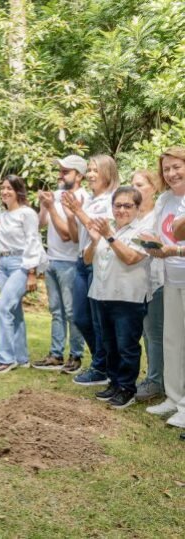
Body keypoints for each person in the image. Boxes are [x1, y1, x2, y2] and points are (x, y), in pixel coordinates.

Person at [84, 187, 150, 408]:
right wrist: (95, 241)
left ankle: (127, 388)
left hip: (128, 298)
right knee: (109, 344)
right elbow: (86, 259)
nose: (121, 210)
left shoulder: (142, 231)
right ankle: (114, 382)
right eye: (117, 205)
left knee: (126, 346)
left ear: (137, 208)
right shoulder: (106, 228)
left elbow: (130, 258)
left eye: (127, 206)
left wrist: (108, 236)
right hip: (102, 295)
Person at [61, 154, 119, 385]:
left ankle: (102, 367)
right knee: (80, 316)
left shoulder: (113, 199)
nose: (91, 175)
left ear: (108, 172)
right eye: (90, 170)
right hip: (82, 261)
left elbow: (99, 230)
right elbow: (79, 236)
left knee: (97, 320)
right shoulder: (91, 199)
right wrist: (72, 214)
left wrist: (78, 211)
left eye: (96, 170)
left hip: (99, 263)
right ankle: (100, 362)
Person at [142, 147, 185, 428]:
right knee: (172, 341)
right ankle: (174, 398)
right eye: (166, 169)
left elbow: (177, 245)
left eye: (177, 167)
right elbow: (162, 235)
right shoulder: (165, 200)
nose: (171, 173)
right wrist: (152, 242)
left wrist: (175, 251)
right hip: (171, 278)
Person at [33, 155, 87, 372]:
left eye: (66, 172)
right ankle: (55, 354)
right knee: (56, 310)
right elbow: (40, 224)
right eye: (60, 171)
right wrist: (44, 206)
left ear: (79, 176)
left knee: (72, 312)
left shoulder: (82, 198)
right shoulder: (55, 196)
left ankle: (75, 355)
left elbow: (68, 235)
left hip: (70, 262)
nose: (60, 175)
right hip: (52, 259)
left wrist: (52, 208)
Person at [0, 175, 43, 373]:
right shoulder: (4, 215)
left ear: (18, 191)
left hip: (21, 264)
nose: (5, 192)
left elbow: (33, 241)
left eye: (9, 188)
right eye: (3, 188)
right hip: (3, 263)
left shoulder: (27, 213)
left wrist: (31, 272)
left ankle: (5, 359)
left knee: (2, 308)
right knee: (14, 311)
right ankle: (21, 358)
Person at [130, 170, 165, 402]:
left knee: (154, 333)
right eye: (132, 184)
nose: (135, 189)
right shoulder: (133, 216)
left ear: (154, 187)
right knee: (145, 332)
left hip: (156, 281)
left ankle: (156, 382)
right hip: (137, 283)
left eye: (140, 185)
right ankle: (153, 378)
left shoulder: (158, 215)